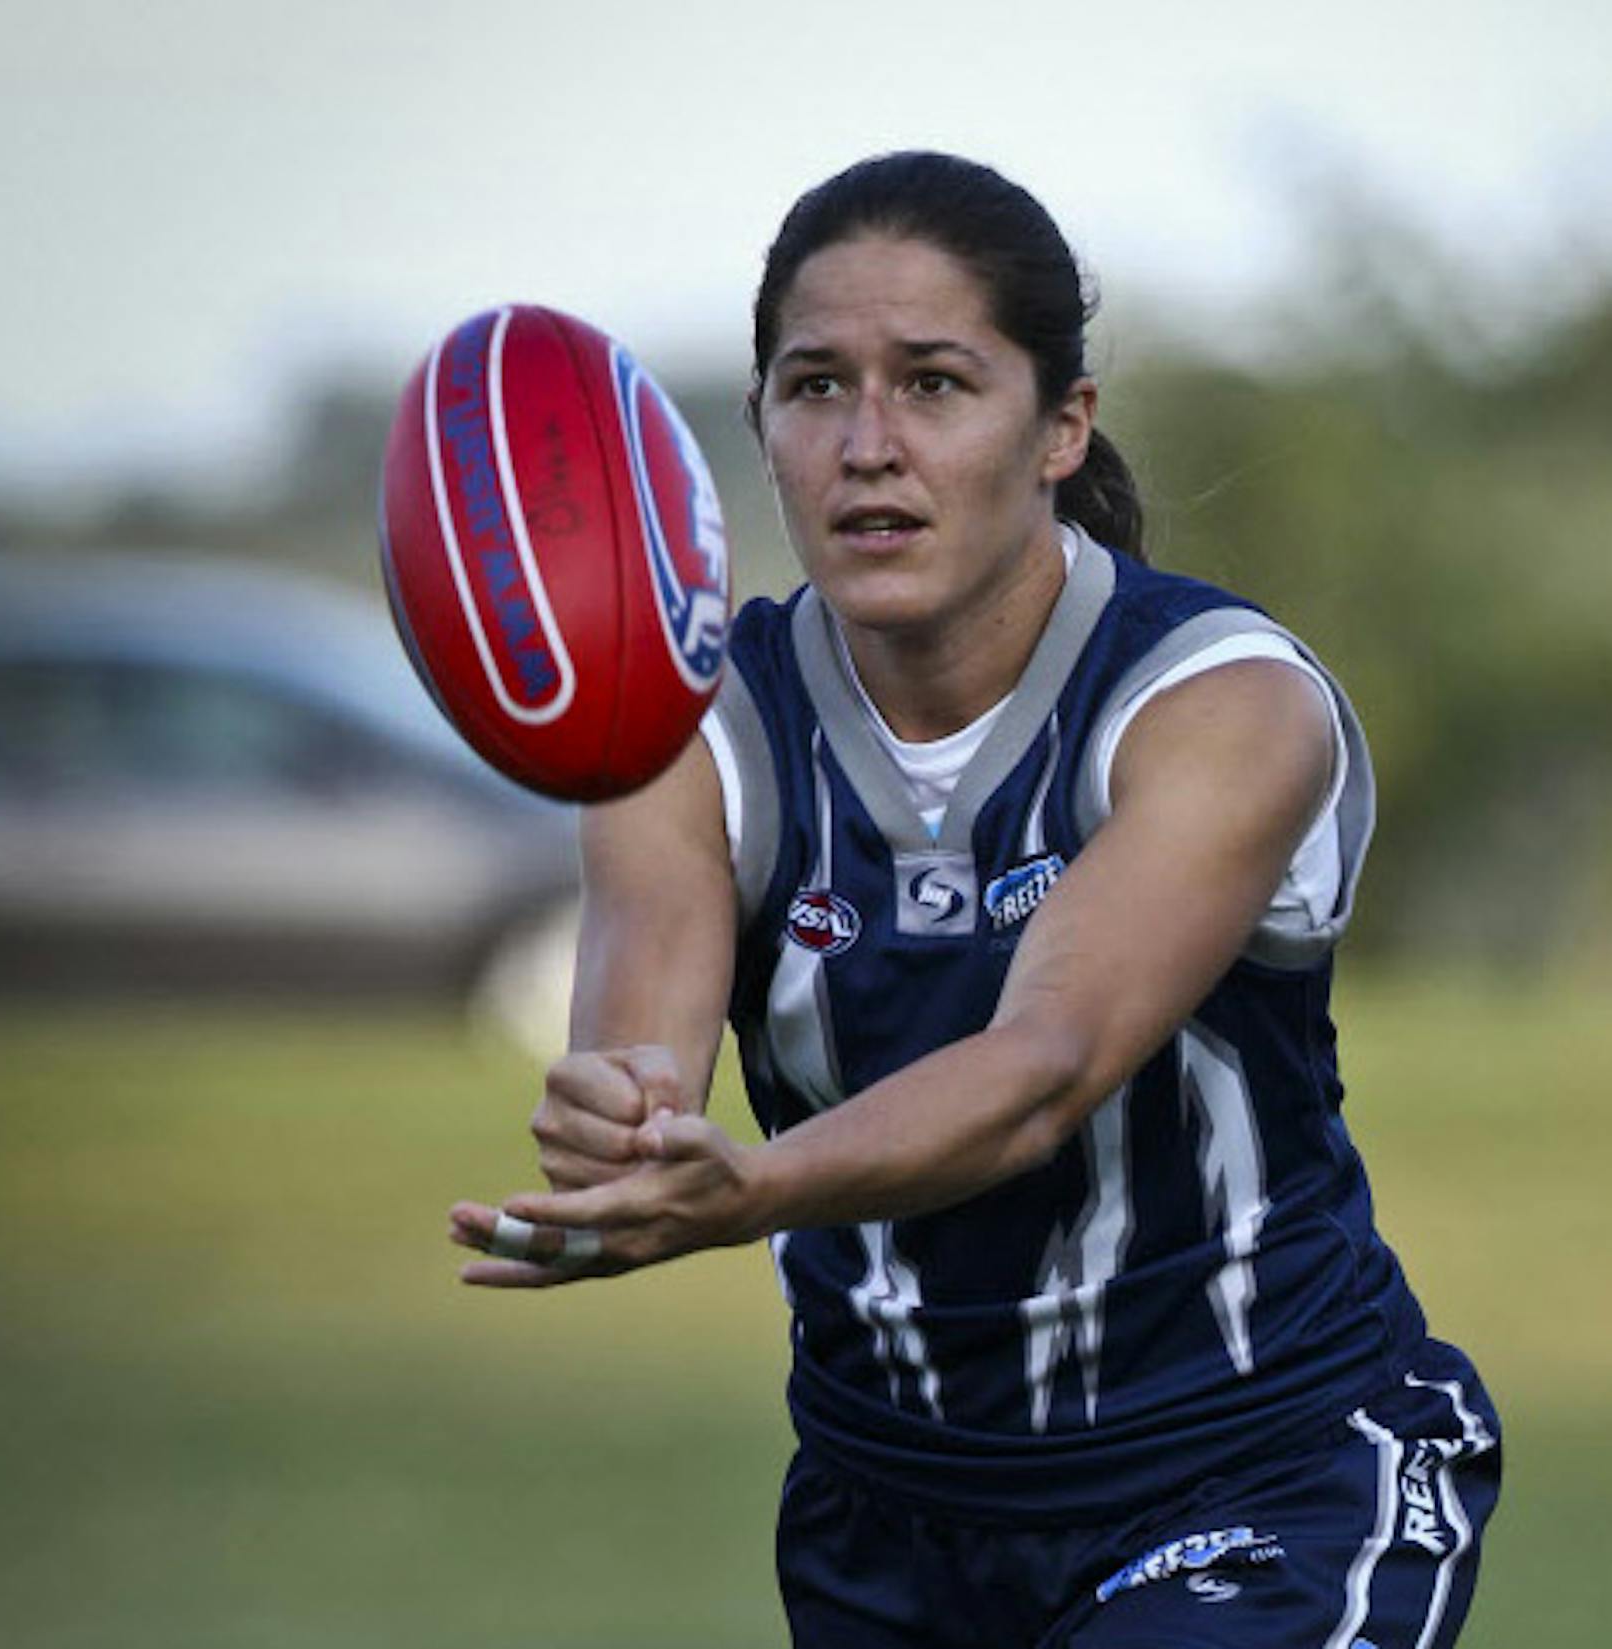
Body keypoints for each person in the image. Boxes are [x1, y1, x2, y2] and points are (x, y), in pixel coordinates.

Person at [450, 150, 1501, 1648]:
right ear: (757, 426)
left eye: (935, 383)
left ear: (1061, 425)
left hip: (1265, 1478)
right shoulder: (689, 735)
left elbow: (1041, 1072)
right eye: (816, 387)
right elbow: (645, 1048)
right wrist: (626, 1126)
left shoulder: (1219, 704)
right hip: (893, 1525)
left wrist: (749, 1189)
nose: (868, 443)